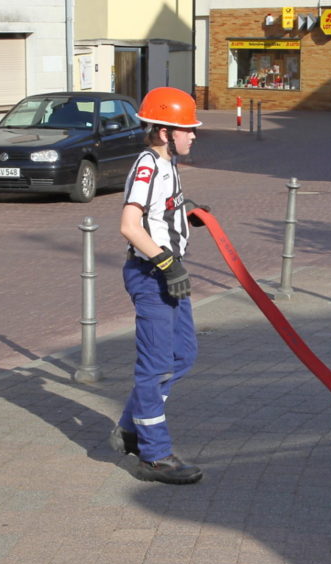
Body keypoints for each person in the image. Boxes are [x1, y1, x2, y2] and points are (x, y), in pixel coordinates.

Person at [108, 87, 205, 484]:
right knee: (156, 366)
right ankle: (153, 455)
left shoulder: (168, 164)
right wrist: (166, 262)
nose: (194, 134)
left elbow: (160, 209)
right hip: (152, 276)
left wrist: (189, 212)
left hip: (168, 272)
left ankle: (131, 428)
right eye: (187, 129)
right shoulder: (148, 166)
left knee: (183, 354)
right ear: (165, 132)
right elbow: (129, 225)